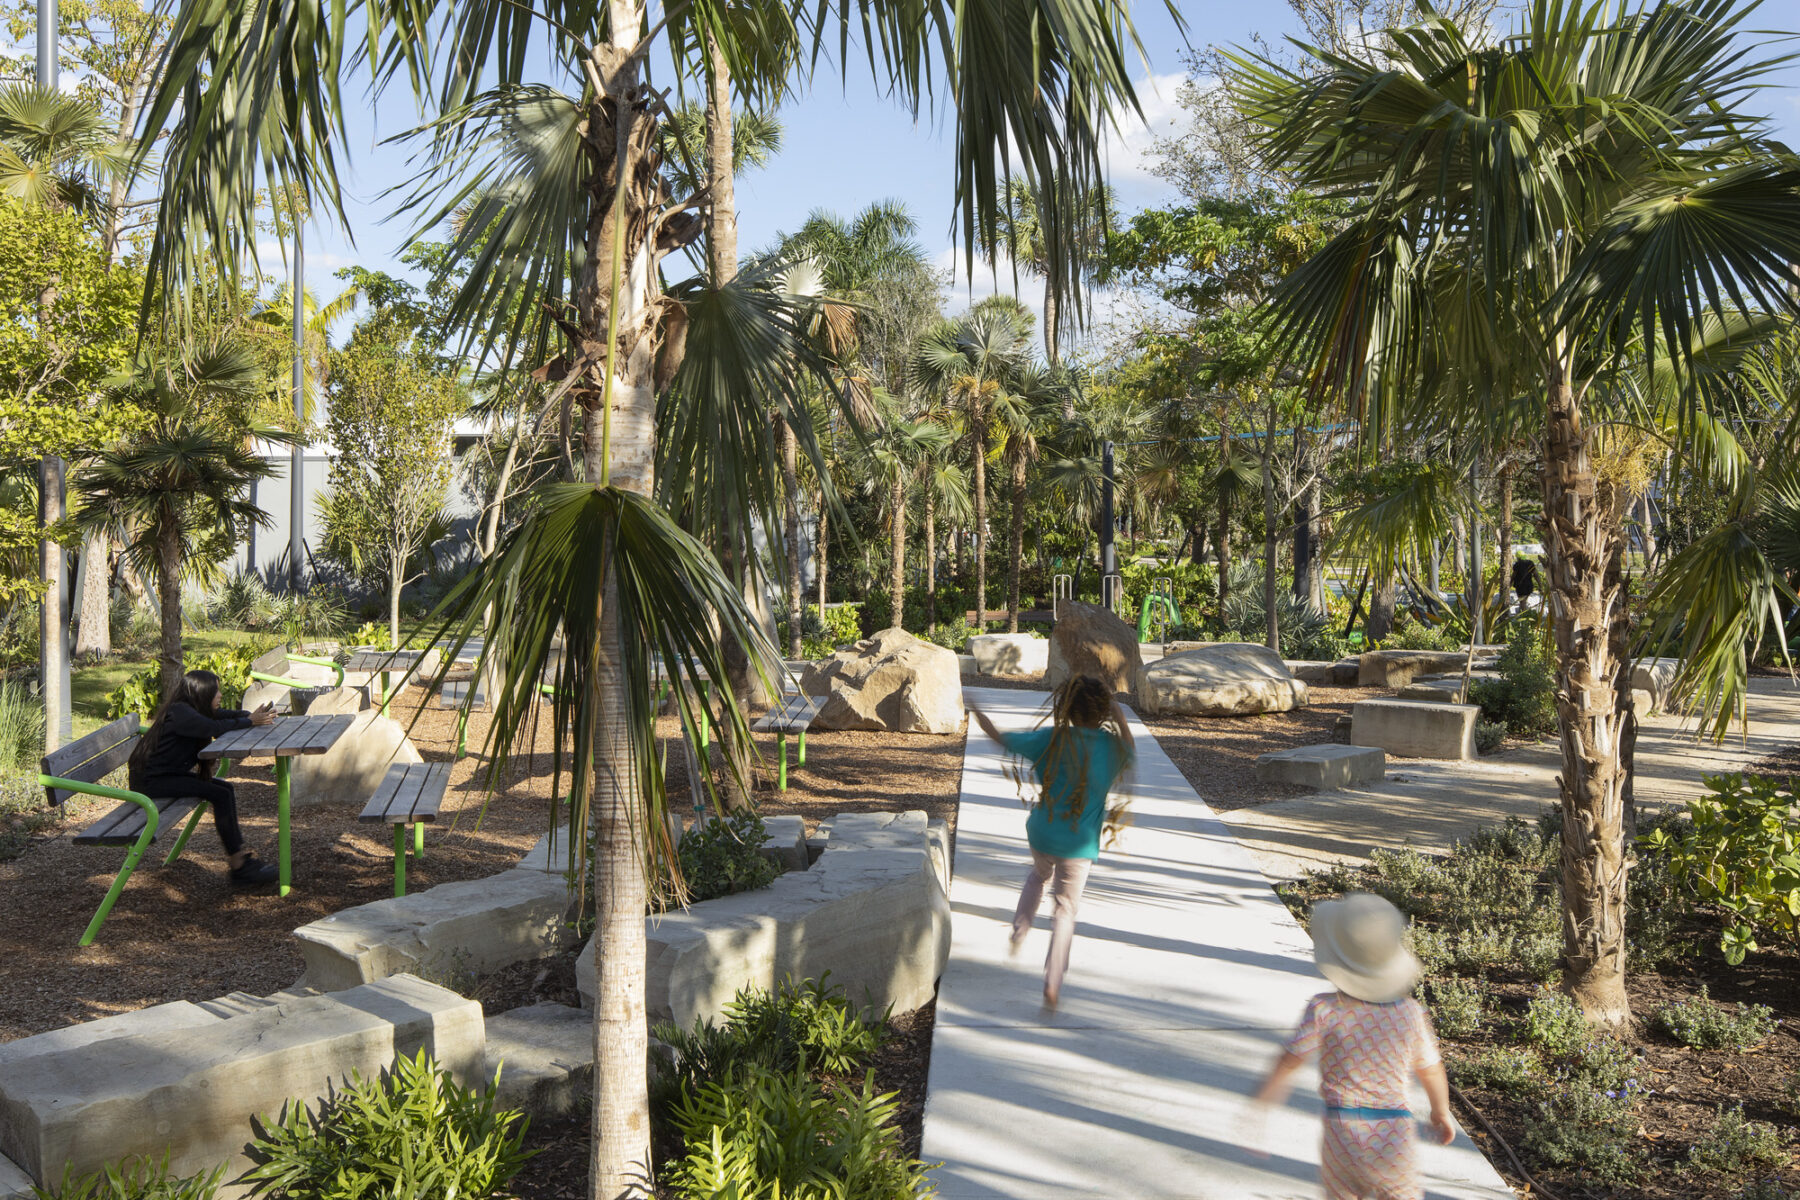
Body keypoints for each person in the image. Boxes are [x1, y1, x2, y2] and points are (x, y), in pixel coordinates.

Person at [1252, 892, 1455, 1200]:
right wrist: (1441, 1112)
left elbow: (1289, 1061)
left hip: (1341, 1131)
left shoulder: (1324, 1010)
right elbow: (1430, 1069)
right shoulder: (1410, 1013)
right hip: (1393, 1134)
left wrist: (1261, 1107)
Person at [967, 675, 1135, 1007]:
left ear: (1067, 709)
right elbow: (1130, 749)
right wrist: (1118, 713)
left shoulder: (1052, 739)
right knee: (1065, 910)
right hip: (1078, 845)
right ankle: (1052, 983)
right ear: (1101, 713)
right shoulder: (1110, 748)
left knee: (1038, 876)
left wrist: (976, 709)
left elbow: (1000, 738)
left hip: (1042, 834)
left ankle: (1019, 930)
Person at [127, 669, 280, 886]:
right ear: (201, 693)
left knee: (225, 790)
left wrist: (249, 716)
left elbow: (221, 716)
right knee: (220, 794)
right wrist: (250, 721)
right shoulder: (181, 713)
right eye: (215, 691)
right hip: (152, 783)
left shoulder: (190, 709)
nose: (219, 695)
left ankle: (239, 862)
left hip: (166, 776)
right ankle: (239, 867)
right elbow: (213, 727)